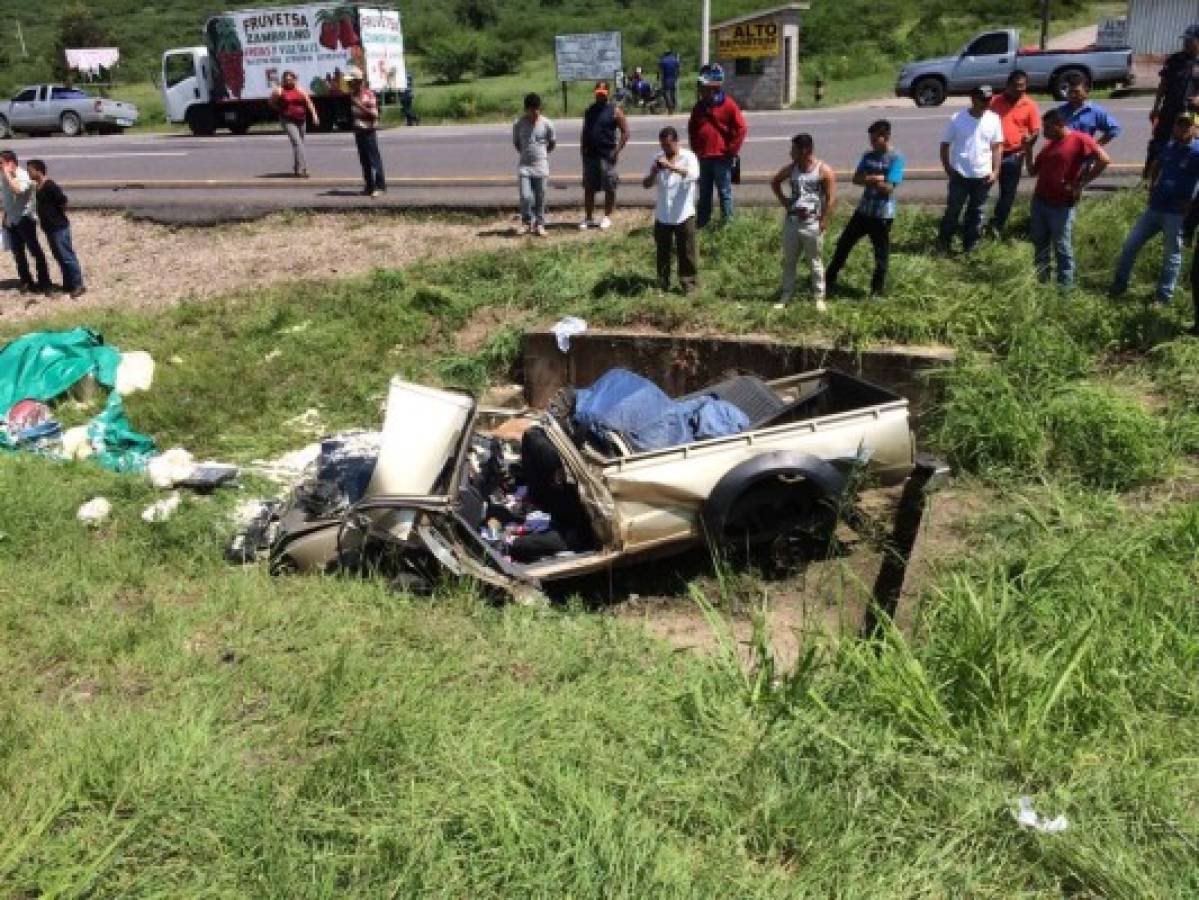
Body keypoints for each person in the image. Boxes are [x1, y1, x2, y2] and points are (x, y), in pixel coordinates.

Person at [1112, 112, 1199, 304]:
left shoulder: (1197, 151)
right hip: (1155, 208)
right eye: (1179, 124)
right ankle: (1118, 287)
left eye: (1187, 125)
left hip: (1177, 213)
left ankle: (1163, 297)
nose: (1182, 128)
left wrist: (1193, 204)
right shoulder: (1169, 146)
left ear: (1195, 128)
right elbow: (1157, 164)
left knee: (1171, 256)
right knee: (1130, 245)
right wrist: (1151, 187)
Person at [1025, 109, 1108, 289]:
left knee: (1062, 248)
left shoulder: (1080, 139)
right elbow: (1032, 171)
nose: (1044, 132)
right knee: (1040, 245)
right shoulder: (1049, 144)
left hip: (1061, 205)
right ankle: (1042, 283)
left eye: (1047, 127)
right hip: (1040, 202)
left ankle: (1065, 289)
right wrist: (1028, 149)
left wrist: (1081, 183)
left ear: (1060, 125)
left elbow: (1104, 160)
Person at [826, 119, 904, 298]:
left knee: (881, 254)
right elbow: (856, 179)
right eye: (871, 140)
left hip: (882, 215)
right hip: (863, 211)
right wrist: (877, 178)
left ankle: (876, 291)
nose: (872, 143)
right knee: (843, 244)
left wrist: (870, 179)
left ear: (886, 137)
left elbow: (889, 188)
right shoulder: (868, 156)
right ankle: (829, 279)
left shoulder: (896, 158)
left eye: (876, 140)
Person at [770, 133, 836, 311]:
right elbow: (775, 181)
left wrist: (824, 220)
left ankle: (819, 297)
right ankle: (786, 295)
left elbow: (830, 198)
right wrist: (785, 202)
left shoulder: (823, 171)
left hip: (811, 223)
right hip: (792, 221)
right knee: (790, 261)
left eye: (794, 149)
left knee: (815, 260)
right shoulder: (792, 169)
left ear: (805, 150)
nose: (791, 153)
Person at [937, 86, 1004, 254]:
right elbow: (945, 145)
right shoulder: (957, 119)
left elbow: (997, 147)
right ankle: (944, 245)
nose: (987, 103)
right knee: (953, 211)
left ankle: (970, 248)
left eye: (989, 100)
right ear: (973, 98)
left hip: (983, 176)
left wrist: (995, 171)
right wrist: (948, 168)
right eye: (983, 99)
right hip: (960, 175)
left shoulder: (994, 119)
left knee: (976, 213)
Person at [688, 65, 747, 228]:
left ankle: (727, 223)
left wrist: (731, 150)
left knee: (724, 192)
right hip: (703, 157)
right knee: (704, 193)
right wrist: (696, 149)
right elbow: (692, 129)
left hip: (722, 158)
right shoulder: (698, 107)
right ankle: (702, 222)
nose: (700, 89)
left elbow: (741, 129)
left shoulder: (728, 105)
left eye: (703, 86)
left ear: (713, 87)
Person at [642, 125, 699, 292]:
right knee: (663, 252)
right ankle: (663, 283)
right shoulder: (656, 158)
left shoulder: (688, 157)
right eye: (663, 145)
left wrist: (671, 167)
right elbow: (645, 185)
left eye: (668, 145)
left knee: (687, 252)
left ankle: (689, 285)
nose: (665, 149)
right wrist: (653, 173)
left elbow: (694, 175)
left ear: (676, 142)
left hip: (684, 213)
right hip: (663, 214)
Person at [988, 69, 1041, 235]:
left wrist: (1027, 145)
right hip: (990, 154)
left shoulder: (1030, 105)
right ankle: (975, 223)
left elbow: (1035, 131)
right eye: (1017, 86)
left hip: (1013, 155)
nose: (1020, 89)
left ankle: (997, 226)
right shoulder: (993, 102)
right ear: (1007, 85)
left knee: (1007, 195)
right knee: (982, 189)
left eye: (1023, 86)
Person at [1146, 25, 1199, 177]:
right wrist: (1156, 107)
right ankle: (1148, 179)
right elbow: (1163, 85)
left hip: (1192, 113)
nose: (1186, 43)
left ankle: (1181, 181)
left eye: (1191, 40)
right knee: (1158, 144)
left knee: (1189, 144)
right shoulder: (1175, 59)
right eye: (1185, 40)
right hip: (1169, 110)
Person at [26, 160, 84, 298]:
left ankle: (78, 284)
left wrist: (56, 215)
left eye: (30, 170)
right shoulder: (37, 186)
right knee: (59, 256)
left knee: (67, 256)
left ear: (38, 171)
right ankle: (68, 283)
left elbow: (63, 202)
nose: (28, 173)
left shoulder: (50, 185)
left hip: (59, 227)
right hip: (49, 228)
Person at [579, 81, 629, 231]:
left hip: (607, 155)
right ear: (595, 92)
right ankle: (588, 217)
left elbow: (625, 132)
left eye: (603, 93)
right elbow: (585, 130)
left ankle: (607, 216)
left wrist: (616, 150)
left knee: (609, 187)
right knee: (589, 188)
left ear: (607, 93)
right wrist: (582, 148)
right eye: (598, 93)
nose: (600, 95)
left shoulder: (615, 110)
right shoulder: (590, 110)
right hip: (590, 155)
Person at [0, 150, 51, 294]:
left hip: (25, 219)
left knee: (35, 251)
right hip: (12, 220)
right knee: (18, 253)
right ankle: (26, 281)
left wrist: (8, 174)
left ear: (11, 163)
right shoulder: (4, 176)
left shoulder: (23, 176)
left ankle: (44, 281)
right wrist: (5, 217)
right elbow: (7, 198)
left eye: (1, 163)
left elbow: (17, 191)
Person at [513, 92, 556, 237]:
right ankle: (526, 222)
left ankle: (540, 224)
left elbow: (552, 143)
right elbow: (517, 144)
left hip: (541, 166)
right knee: (525, 196)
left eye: (537, 109)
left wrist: (542, 155)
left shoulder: (547, 124)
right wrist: (527, 154)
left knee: (540, 197)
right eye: (531, 109)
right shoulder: (519, 124)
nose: (534, 112)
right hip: (525, 166)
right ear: (526, 109)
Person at [271, 70, 319, 177]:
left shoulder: (299, 89)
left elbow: (309, 103)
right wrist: (280, 109)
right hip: (287, 120)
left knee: (299, 144)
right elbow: (271, 102)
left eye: (290, 79)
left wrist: (315, 116)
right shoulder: (279, 91)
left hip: (301, 119)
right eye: (286, 79)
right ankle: (304, 168)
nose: (288, 81)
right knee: (297, 142)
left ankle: (297, 167)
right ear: (283, 80)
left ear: (294, 79)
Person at [348, 68, 386, 197]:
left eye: (352, 81)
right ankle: (369, 186)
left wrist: (359, 105)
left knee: (373, 159)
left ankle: (380, 187)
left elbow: (374, 115)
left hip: (368, 131)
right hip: (359, 131)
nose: (350, 84)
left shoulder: (368, 95)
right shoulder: (353, 95)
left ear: (359, 81)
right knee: (364, 161)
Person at [1057, 76, 1121, 146]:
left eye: (1076, 92)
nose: (1072, 95)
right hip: (1064, 153)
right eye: (1070, 92)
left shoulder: (1095, 111)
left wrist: (1096, 146)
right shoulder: (1060, 111)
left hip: (1084, 154)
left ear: (1086, 92)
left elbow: (1114, 129)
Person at [658, 49, 681, 113]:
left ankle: (669, 105)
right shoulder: (675, 60)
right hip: (673, 78)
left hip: (666, 78)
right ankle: (673, 106)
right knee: (672, 92)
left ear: (665, 54)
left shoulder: (663, 60)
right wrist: (677, 76)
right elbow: (678, 69)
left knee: (665, 92)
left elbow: (659, 70)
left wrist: (658, 77)